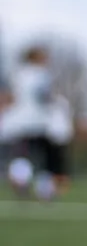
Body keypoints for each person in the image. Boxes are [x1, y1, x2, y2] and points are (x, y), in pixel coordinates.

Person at [0, 43, 73, 201]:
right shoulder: (41, 74)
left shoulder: (18, 73)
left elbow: (10, 96)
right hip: (38, 122)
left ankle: (21, 180)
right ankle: (44, 190)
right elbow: (43, 96)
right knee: (44, 158)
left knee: (22, 154)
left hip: (18, 122)